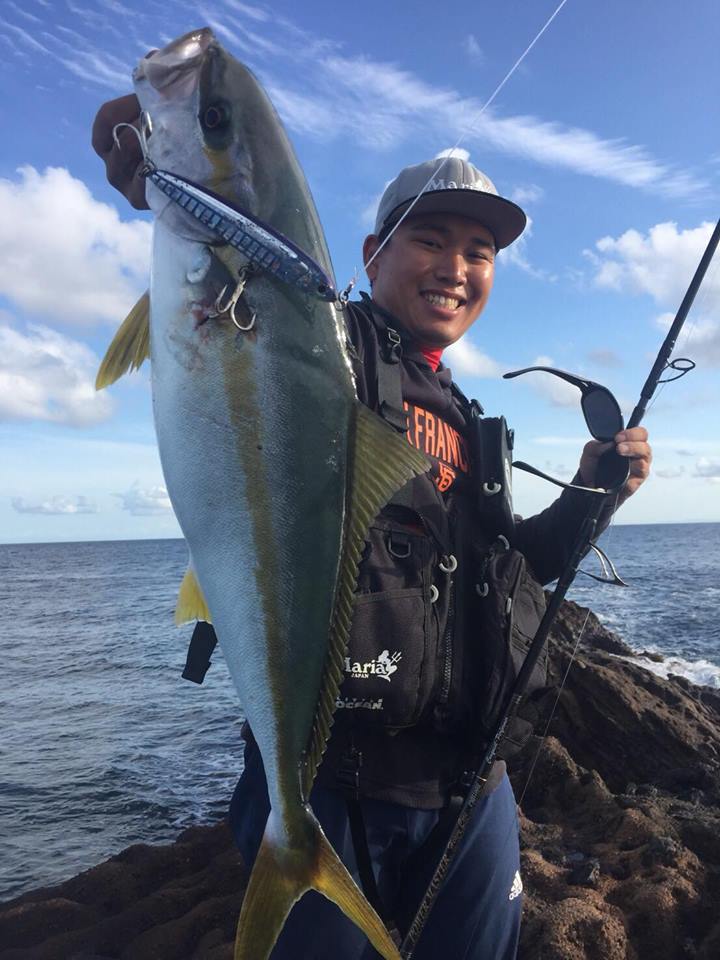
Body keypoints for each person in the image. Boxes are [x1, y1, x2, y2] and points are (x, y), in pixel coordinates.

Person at [93, 101, 652, 959]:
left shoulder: (469, 421)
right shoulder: (327, 351)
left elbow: (518, 568)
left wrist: (592, 494)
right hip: (336, 787)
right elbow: (257, 281)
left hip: (470, 788)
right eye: (431, 240)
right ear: (372, 255)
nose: (456, 267)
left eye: (481, 252)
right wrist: (165, 174)